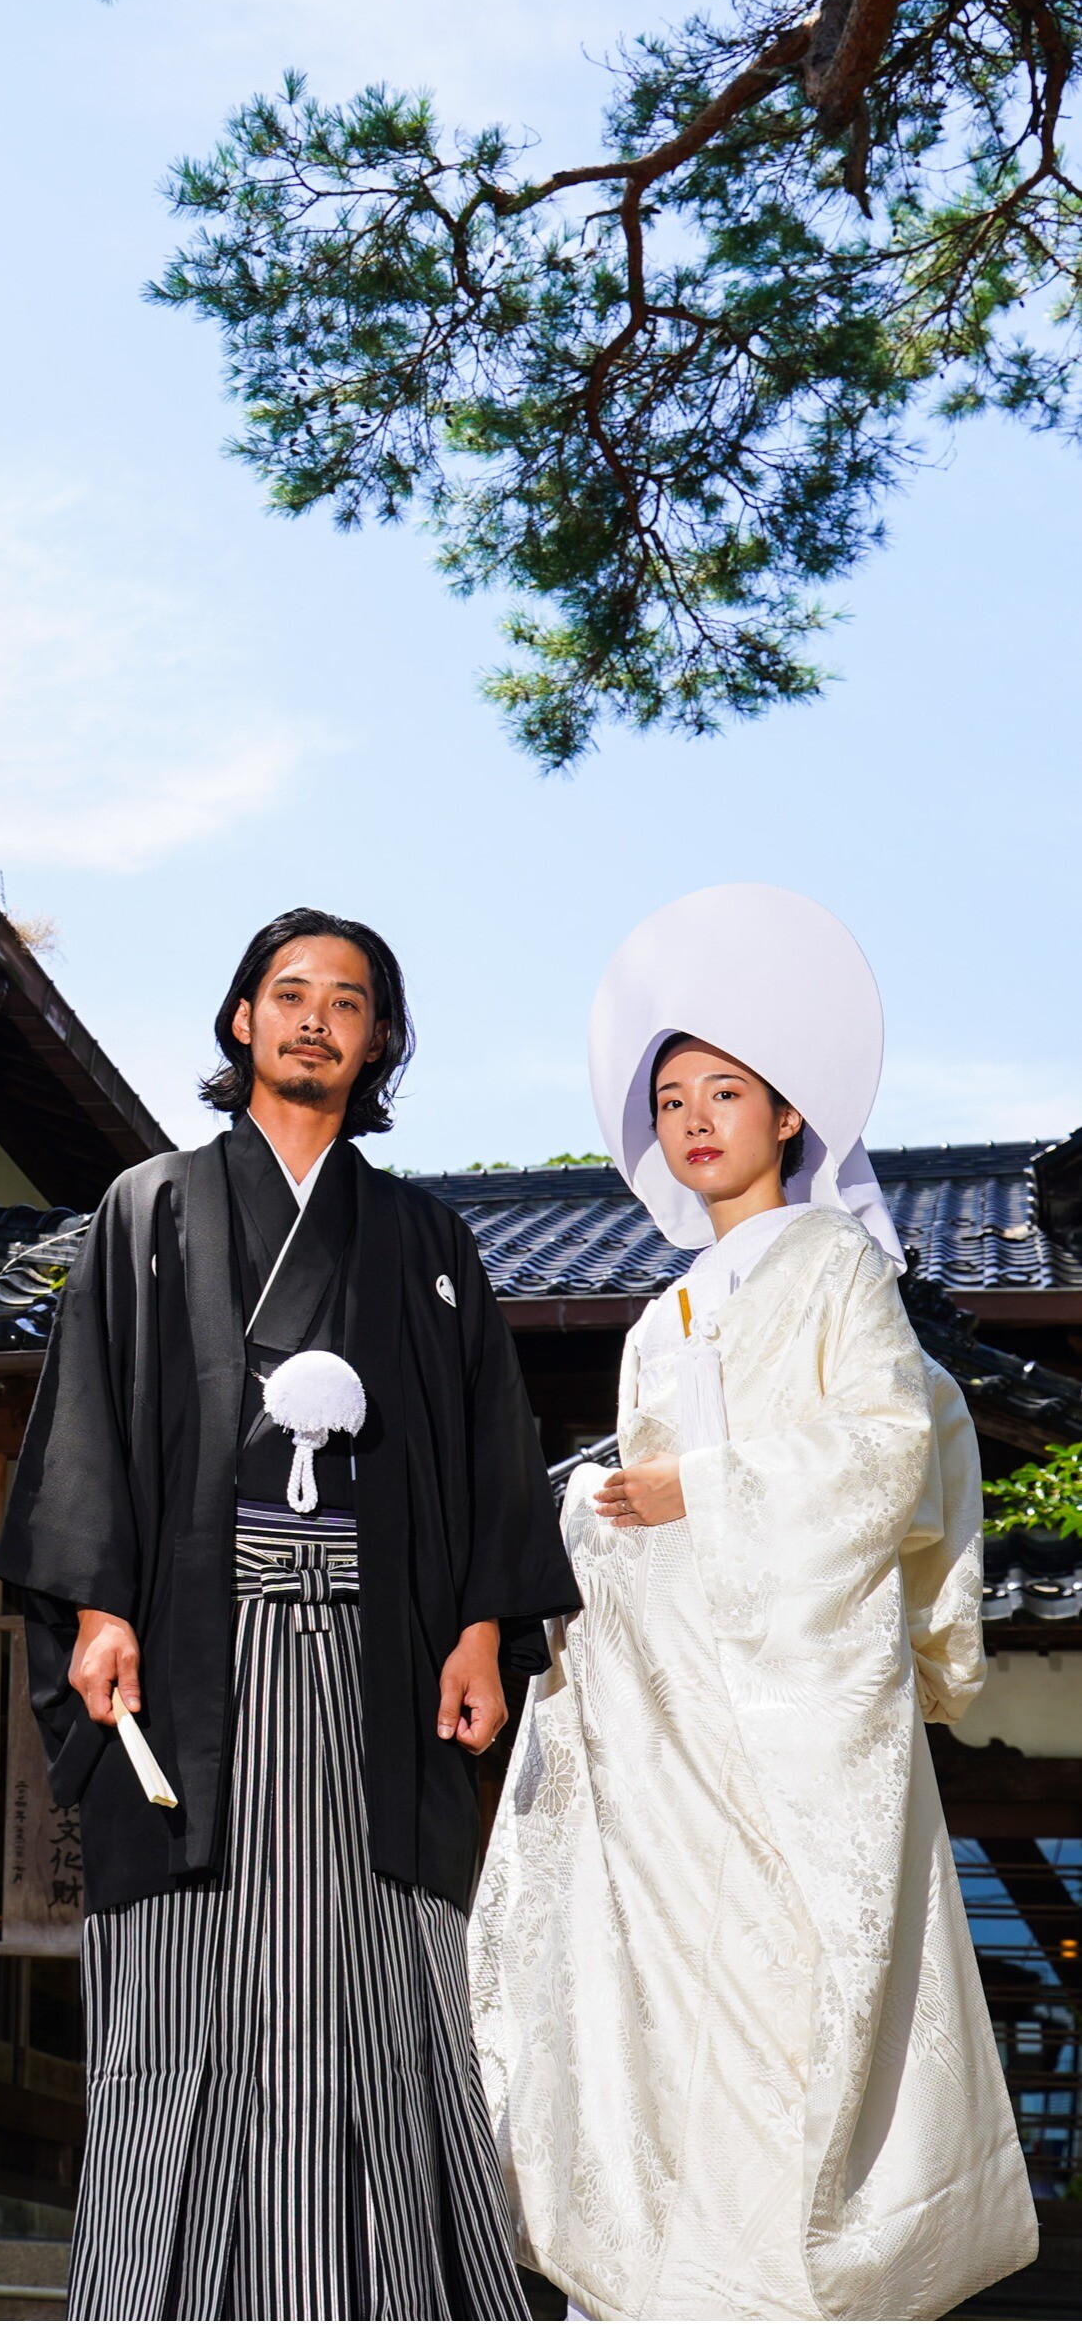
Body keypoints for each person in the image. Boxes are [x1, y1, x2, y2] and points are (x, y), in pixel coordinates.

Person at [0, 908, 580, 2321]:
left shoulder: (431, 1241)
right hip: (198, 1650)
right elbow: (87, 1428)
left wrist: (483, 1631)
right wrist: (93, 1608)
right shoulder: (149, 1211)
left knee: (377, 1973)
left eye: (349, 1000)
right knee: (185, 1975)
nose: (317, 1018)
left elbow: (490, 1454)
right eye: (290, 992)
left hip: (383, 1660)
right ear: (242, 1020)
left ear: (379, 1041)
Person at [469, 884, 1038, 2321]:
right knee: (653, 1998)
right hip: (668, 1705)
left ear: (789, 1115)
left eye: (727, 1090)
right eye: (672, 1097)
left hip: (788, 1705)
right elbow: (648, 1486)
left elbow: (886, 1448)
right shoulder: (659, 1314)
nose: (697, 1118)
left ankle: (782, 2280)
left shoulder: (840, 1264)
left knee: (790, 1994)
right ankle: (671, 2270)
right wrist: (598, 1519)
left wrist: (703, 1493)